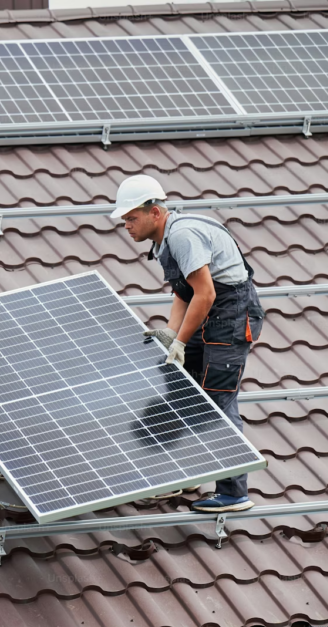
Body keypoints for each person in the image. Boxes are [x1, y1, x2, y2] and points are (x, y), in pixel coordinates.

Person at [110, 175, 264, 513]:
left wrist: (181, 340)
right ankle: (191, 469)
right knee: (179, 380)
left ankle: (234, 492)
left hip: (231, 316)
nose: (127, 226)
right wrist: (171, 334)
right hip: (208, 311)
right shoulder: (162, 240)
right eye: (124, 220)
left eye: (132, 218)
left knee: (216, 404)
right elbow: (184, 290)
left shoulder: (181, 236)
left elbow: (206, 293)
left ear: (155, 212)